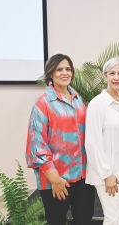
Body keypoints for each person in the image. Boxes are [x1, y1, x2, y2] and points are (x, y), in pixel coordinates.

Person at [25, 54, 95, 225]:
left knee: (84, 220)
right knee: (56, 221)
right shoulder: (43, 104)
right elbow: (36, 145)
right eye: (59, 69)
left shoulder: (78, 100)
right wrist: (55, 179)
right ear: (50, 73)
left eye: (68, 69)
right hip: (56, 180)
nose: (65, 73)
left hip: (83, 177)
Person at [85, 58, 119, 225]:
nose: (116, 77)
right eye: (112, 73)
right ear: (105, 76)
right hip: (106, 172)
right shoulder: (97, 104)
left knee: (117, 216)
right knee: (113, 219)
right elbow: (92, 143)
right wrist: (106, 174)